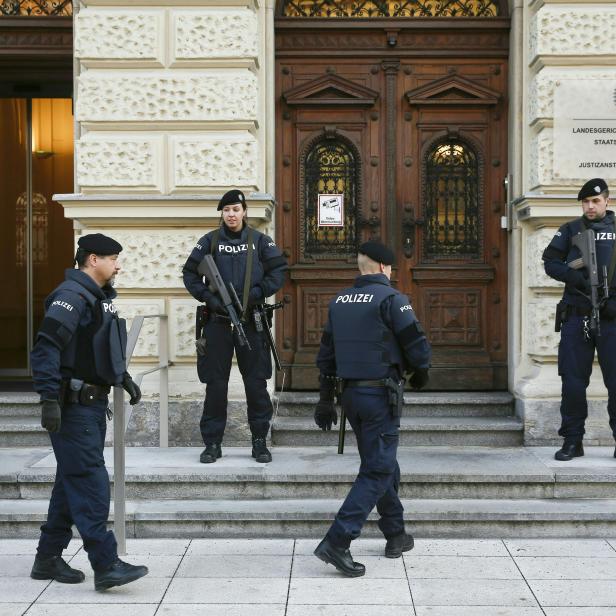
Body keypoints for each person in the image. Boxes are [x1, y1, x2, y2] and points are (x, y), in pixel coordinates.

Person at [29, 233, 149, 591]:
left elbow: (96, 347)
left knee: (71, 482)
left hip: (92, 406)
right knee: (91, 485)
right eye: (113, 258)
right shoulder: (71, 297)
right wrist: (49, 399)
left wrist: (121, 377)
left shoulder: (98, 299)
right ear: (92, 259)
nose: (118, 265)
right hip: (74, 408)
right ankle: (106, 564)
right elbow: (45, 348)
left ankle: (47, 558)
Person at [312, 240, 431, 577]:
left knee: (381, 463)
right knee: (378, 469)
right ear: (383, 268)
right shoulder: (393, 299)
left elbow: (326, 357)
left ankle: (395, 533)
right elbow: (417, 347)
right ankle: (338, 540)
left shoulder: (339, 302)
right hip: (380, 396)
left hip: (350, 396)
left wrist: (324, 398)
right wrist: (421, 372)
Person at [182, 189, 288, 464]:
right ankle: (213, 443)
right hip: (217, 322)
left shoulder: (260, 241)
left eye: (236, 209)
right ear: (222, 213)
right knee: (216, 385)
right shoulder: (209, 241)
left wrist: (258, 292)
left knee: (255, 383)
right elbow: (190, 273)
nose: (231, 214)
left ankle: (259, 441)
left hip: (251, 321)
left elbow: (278, 271)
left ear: (244, 212)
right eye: (227, 210)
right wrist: (209, 298)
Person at [543, 178, 616, 461]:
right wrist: (578, 279)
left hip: (611, 319)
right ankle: (573, 441)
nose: (589, 206)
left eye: (595, 201)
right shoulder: (571, 230)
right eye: (585, 202)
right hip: (577, 316)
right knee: (573, 382)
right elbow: (550, 261)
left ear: (607, 201)